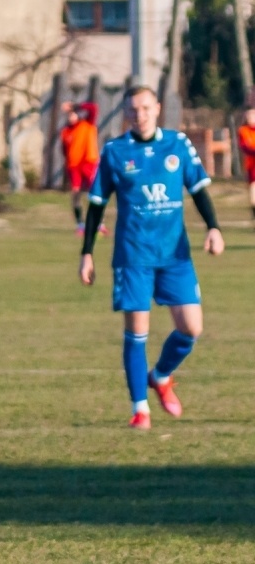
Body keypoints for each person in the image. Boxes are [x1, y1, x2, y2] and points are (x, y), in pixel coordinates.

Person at [80, 85, 222, 429]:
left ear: (157, 108)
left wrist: (213, 228)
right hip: (133, 257)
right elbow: (97, 205)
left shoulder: (178, 145)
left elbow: (199, 189)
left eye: (145, 108)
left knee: (191, 328)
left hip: (175, 255)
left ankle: (160, 376)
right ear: (126, 113)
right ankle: (139, 409)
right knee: (137, 331)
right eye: (132, 110)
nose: (139, 115)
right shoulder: (115, 152)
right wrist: (87, 253)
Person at [62, 101, 101, 232]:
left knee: (95, 192)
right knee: (76, 193)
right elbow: (64, 150)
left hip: (89, 163)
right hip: (74, 166)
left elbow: (93, 107)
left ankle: (99, 223)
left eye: (73, 114)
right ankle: (80, 224)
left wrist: (75, 105)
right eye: (69, 115)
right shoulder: (66, 131)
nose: (70, 117)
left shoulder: (87, 124)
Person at [237, 106, 255, 223]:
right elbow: (245, 147)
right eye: (249, 115)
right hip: (252, 168)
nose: (251, 118)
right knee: (253, 197)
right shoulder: (243, 131)